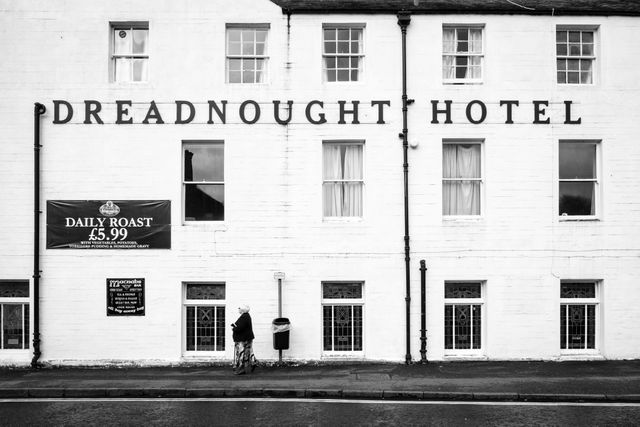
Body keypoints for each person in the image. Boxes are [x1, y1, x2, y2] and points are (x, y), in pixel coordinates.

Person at [231, 304, 258, 375]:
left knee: (241, 353)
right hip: (247, 338)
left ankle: (241, 368)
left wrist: (234, 328)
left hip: (243, 339)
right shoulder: (247, 316)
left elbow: (239, 328)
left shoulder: (244, 317)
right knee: (248, 351)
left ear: (242, 310)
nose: (238, 309)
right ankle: (253, 362)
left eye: (239, 308)